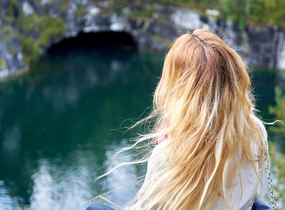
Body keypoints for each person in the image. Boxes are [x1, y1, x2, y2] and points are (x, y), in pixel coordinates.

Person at [89, 29, 270, 210]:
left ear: (178, 88)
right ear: (234, 76)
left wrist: (170, 140)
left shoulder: (167, 155)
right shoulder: (256, 130)